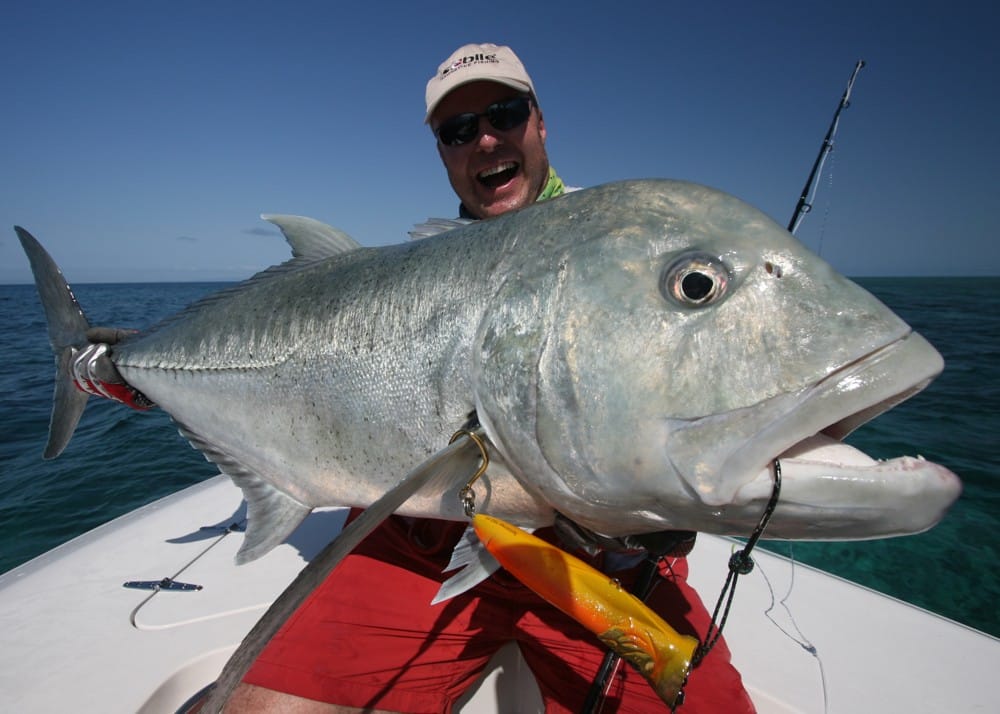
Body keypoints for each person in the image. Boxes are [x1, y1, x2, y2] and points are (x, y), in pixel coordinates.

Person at [226, 43, 756, 713]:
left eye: (503, 113)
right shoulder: (418, 276)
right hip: (420, 542)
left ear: (538, 122)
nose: (484, 139)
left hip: (599, 572)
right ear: (444, 153)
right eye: (457, 130)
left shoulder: (625, 250)